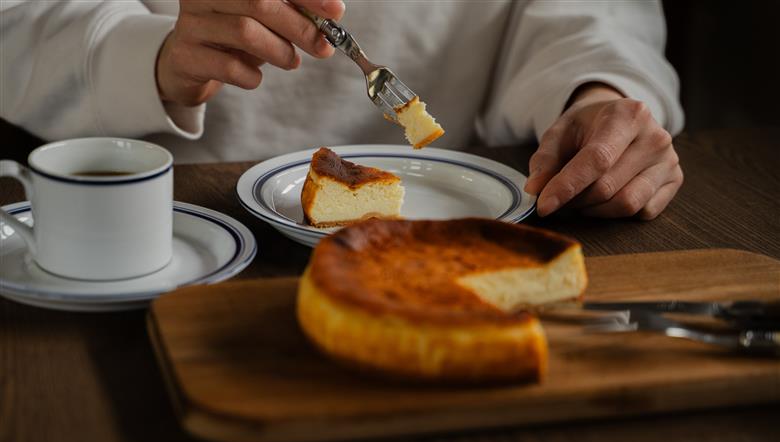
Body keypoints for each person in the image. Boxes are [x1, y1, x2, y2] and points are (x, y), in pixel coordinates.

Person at [0, 0, 684, 219]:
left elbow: (595, 11)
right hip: (159, 220)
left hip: (469, 215)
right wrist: (145, 57)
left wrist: (594, 94)